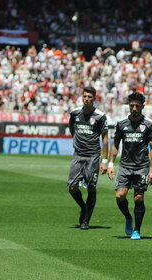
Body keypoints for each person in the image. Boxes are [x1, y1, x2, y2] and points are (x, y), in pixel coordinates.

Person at [107, 92, 152, 240]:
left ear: (143, 106)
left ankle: (137, 230)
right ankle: (128, 217)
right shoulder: (122, 124)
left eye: (137, 106)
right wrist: (110, 163)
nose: (134, 108)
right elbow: (115, 144)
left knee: (138, 198)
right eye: (132, 106)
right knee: (120, 195)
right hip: (125, 166)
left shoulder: (148, 124)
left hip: (142, 166)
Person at [67, 86, 108, 230]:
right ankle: (83, 207)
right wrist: (76, 139)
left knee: (91, 188)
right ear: (81, 97)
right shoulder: (75, 113)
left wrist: (104, 160)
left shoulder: (100, 116)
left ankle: (86, 220)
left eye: (89, 97)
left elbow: (105, 138)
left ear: (94, 99)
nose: (86, 99)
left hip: (93, 156)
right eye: (84, 96)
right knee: (72, 187)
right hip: (78, 154)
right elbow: (71, 127)